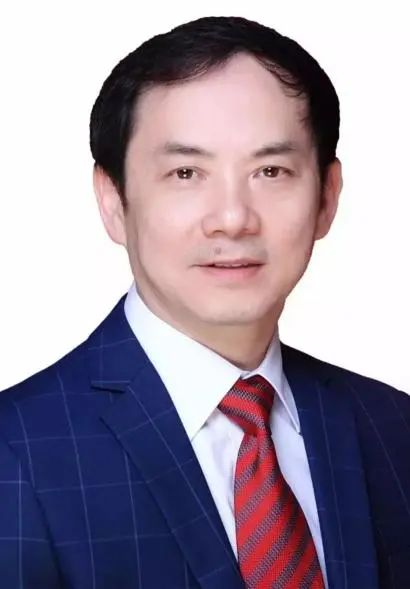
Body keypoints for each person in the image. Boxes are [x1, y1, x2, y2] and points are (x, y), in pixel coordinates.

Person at [0, 14, 409, 589]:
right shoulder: (15, 453)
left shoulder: (392, 427)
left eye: (271, 170)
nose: (233, 218)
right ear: (113, 201)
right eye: (187, 172)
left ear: (327, 197)